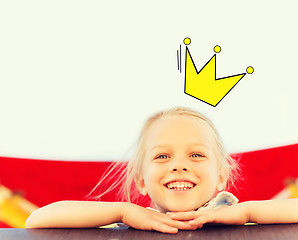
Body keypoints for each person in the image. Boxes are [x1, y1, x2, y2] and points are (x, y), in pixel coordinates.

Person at [25, 107, 298, 234]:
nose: (179, 165)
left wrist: (248, 212)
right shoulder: (136, 221)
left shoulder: (234, 215)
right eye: (163, 156)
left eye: (196, 154)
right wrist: (123, 211)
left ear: (221, 177)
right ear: (141, 182)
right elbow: (36, 219)